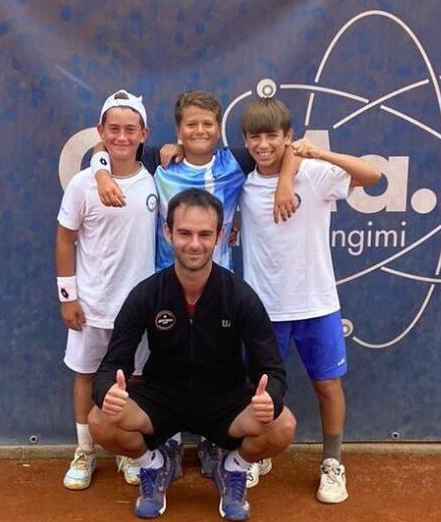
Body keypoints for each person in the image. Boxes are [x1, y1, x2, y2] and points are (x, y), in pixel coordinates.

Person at [90, 90, 298, 478]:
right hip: (167, 285)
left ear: (219, 130)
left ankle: (220, 449)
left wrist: (286, 180)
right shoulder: (157, 159)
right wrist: (101, 171)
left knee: (223, 364)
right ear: (177, 130)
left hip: (218, 287)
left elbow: (289, 147)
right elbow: (109, 149)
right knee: (163, 360)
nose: (200, 130)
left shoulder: (236, 159)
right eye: (191, 124)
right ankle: (161, 446)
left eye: (208, 124)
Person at [89, 188, 296, 522]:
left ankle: (233, 468)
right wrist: (106, 392)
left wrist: (269, 397)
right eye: (184, 233)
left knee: (283, 425)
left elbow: (272, 369)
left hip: (224, 401)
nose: (194, 244)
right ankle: (153, 466)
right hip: (162, 399)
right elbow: (111, 365)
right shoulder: (147, 294)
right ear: (168, 233)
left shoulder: (240, 296)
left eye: (204, 234)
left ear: (220, 236)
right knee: (100, 419)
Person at [237, 96, 381, 503]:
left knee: (327, 385)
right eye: (254, 137)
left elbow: (372, 175)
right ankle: (257, 454)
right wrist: (283, 175)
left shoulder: (315, 173)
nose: (263, 145)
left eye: (272, 136)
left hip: (317, 304)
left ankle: (332, 463)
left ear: (288, 137)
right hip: (263, 309)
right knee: (258, 388)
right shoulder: (244, 185)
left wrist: (314, 152)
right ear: (246, 141)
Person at [55, 90, 157, 490]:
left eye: (130, 129)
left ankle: (128, 451)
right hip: (91, 306)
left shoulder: (154, 180)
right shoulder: (83, 184)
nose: (121, 136)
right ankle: (84, 450)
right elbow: (65, 240)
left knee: (133, 380)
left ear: (143, 133)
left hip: (139, 312)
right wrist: (69, 298)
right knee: (85, 375)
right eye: (113, 128)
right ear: (101, 131)